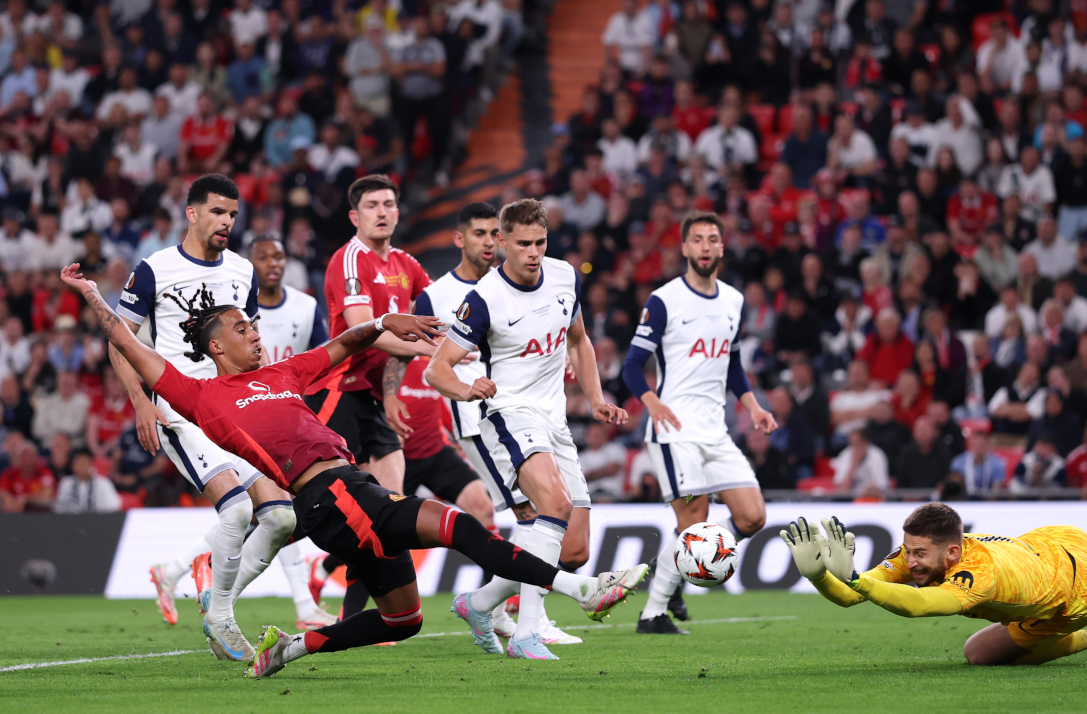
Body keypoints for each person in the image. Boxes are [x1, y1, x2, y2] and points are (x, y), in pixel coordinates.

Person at [59, 262, 647, 678]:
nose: (255, 333)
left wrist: (387, 323)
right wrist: (92, 297)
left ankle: (290, 651)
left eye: (254, 325)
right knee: (462, 528)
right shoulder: (200, 397)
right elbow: (129, 344)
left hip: (345, 495)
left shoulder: (282, 375)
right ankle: (582, 589)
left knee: (405, 619)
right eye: (242, 329)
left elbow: (346, 342)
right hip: (329, 496)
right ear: (216, 348)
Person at [427, 198, 633, 660]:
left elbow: (577, 340)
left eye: (540, 242)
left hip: (554, 419)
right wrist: (467, 389)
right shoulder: (484, 298)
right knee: (552, 507)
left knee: (574, 548)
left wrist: (597, 399)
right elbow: (436, 371)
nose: (533, 252)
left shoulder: (565, 276)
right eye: (523, 244)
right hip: (509, 415)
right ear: (502, 243)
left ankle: (479, 603)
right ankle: (526, 633)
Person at [118, 174, 295, 660]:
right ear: (192, 213)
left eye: (233, 215)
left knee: (281, 517)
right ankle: (221, 619)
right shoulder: (155, 269)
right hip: (181, 408)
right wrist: (140, 400)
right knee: (237, 510)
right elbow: (121, 339)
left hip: (235, 406)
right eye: (218, 212)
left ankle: (216, 599)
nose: (227, 223)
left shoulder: (241, 270)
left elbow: (248, 341)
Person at [158, 235, 337, 631]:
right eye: (263, 257)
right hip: (220, 407)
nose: (272, 263)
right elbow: (133, 340)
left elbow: (319, 362)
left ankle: (177, 571)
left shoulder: (304, 307)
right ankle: (297, 604)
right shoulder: (223, 313)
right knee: (247, 508)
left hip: (274, 410)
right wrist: (140, 399)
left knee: (277, 511)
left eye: (279, 256)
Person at [620, 211, 777, 635]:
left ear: (722, 247)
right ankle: (653, 614)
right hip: (674, 430)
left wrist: (754, 406)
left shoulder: (734, 301)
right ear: (685, 248)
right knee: (696, 525)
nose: (705, 246)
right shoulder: (663, 300)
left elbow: (734, 366)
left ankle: (672, 560)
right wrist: (652, 403)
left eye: (712, 239)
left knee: (752, 516)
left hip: (716, 430)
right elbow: (632, 366)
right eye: (697, 240)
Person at [783, 503, 1087, 665]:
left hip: (1074, 596)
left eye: (919, 554)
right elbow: (854, 595)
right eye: (908, 550)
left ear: (952, 553)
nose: (909, 561)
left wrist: (853, 578)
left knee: (979, 654)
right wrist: (820, 576)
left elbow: (919, 605)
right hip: (1053, 541)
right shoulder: (921, 553)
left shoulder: (977, 577)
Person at [404, 203, 543, 640]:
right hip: (475, 416)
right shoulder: (436, 295)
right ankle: (517, 617)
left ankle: (496, 606)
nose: (487, 242)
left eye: (492, 234)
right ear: (460, 239)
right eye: (479, 233)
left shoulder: (513, 287)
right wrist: (392, 395)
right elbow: (406, 344)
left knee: (504, 510)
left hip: (522, 409)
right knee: (527, 510)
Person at [303, 175, 434, 624]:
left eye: (389, 204)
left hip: (374, 400)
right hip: (338, 391)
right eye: (372, 205)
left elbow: (437, 310)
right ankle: (227, 556)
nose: (382, 211)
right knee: (330, 509)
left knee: (390, 504)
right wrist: (435, 349)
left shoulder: (406, 263)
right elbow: (367, 330)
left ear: (398, 212)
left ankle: (351, 608)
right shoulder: (349, 259)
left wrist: (394, 390)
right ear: (355, 217)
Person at [53, 448, 122, 513]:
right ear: (72, 466)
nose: (82, 466)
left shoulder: (103, 483)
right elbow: (59, 509)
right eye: (79, 463)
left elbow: (114, 506)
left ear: (91, 464)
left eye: (85, 462)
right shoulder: (66, 483)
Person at [949, 431, 1008, 495]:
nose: (979, 448)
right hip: (964, 499)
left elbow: (996, 488)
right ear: (971, 445)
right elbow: (953, 485)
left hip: (988, 500)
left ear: (987, 446)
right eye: (976, 445)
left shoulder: (997, 463)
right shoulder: (959, 462)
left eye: (982, 445)